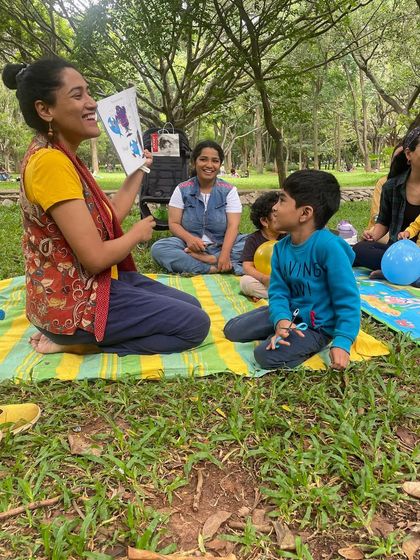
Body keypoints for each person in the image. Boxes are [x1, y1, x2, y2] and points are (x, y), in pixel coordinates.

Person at [2, 58, 210, 356]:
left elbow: (106, 217)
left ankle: (80, 338)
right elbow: (96, 258)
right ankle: (80, 344)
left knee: (192, 305)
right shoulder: (50, 163)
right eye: (77, 95)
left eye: (88, 92)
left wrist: (139, 169)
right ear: (45, 109)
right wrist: (136, 235)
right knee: (194, 325)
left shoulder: (59, 155)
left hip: (82, 288)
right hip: (73, 305)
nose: (92, 103)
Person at [224, 170, 360, 371]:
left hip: (318, 326)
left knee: (264, 356)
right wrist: (281, 318)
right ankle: (281, 324)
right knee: (232, 331)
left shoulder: (329, 248)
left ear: (305, 213)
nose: (275, 208)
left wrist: (343, 341)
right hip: (291, 312)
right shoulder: (280, 248)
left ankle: (302, 341)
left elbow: (348, 300)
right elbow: (278, 291)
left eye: (282, 201)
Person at [151, 140, 247, 275]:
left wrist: (223, 254)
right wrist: (189, 239)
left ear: (219, 165)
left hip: (222, 244)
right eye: (203, 159)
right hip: (188, 247)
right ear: (194, 162)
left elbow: (233, 226)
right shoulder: (182, 189)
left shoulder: (229, 190)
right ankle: (212, 268)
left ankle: (210, 260)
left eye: (215, 161)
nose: (209, 165)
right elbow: (173, 223)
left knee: (253, 242)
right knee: (159, 248)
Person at [352, 126, 420, 281]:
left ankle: (395, 272)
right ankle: (404, 273)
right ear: (409, 154)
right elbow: (383, 221)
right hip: (396, 252)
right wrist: (372, 235)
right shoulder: (391, 186)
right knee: (361, 249)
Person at [240, 191, 286, 301]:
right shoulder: (253, 239)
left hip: (286, 279)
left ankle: (276, 294)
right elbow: (247, 266)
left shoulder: (289, 237)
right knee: (245, 282)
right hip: (265, 280)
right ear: (265, 221)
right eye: (276, 215)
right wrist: (264, 278)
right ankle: (281, 295)